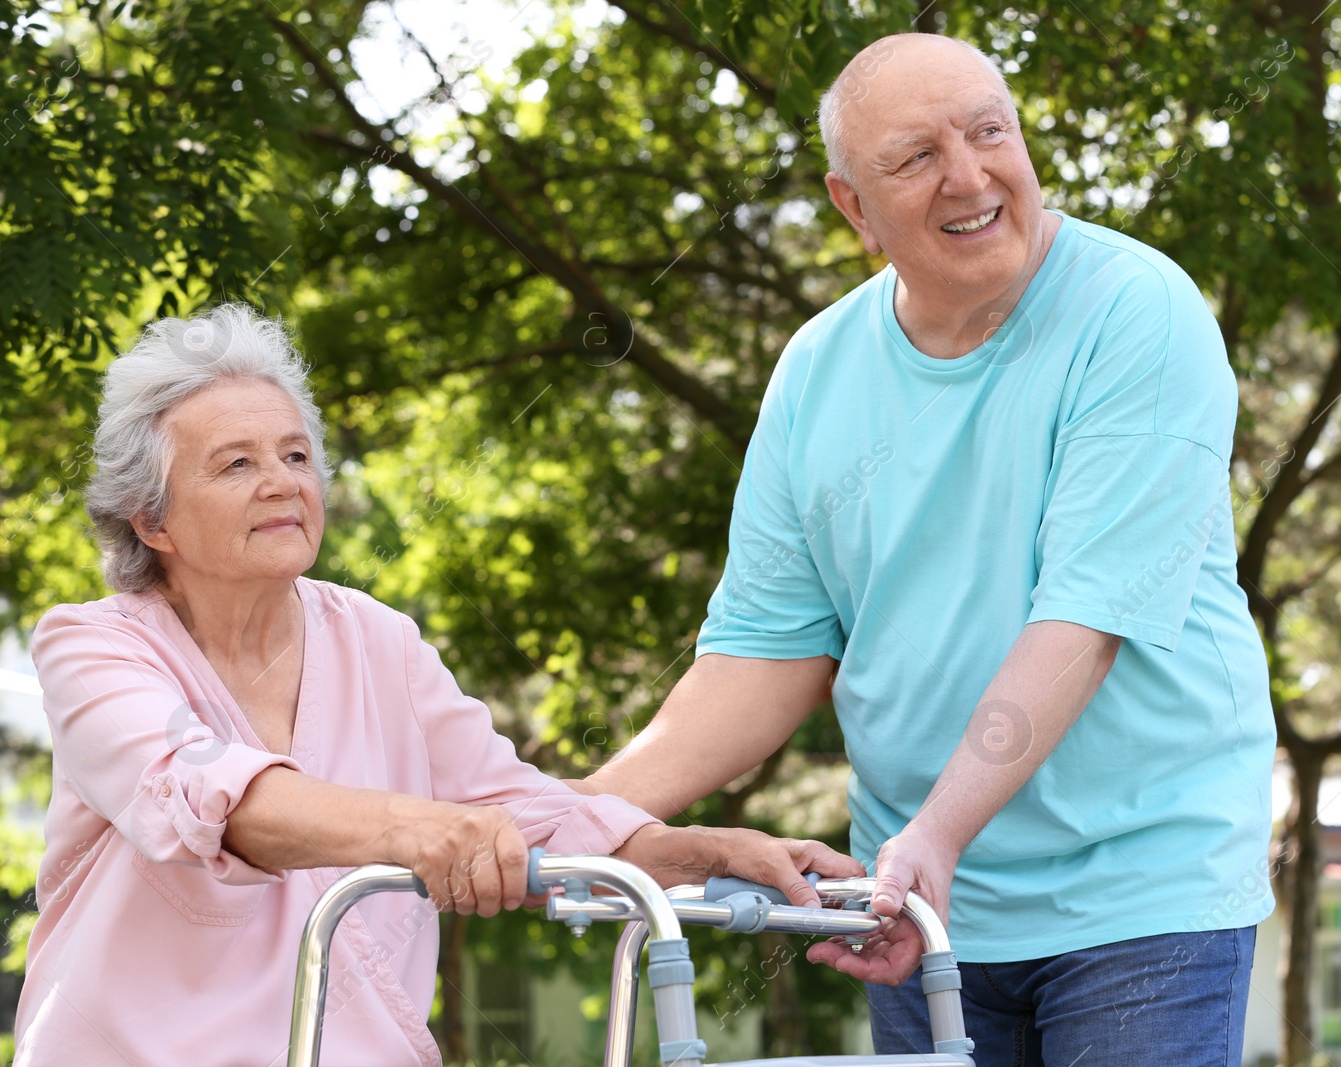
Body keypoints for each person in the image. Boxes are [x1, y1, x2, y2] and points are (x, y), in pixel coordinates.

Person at [575, 32, 1276, 1066]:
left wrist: (935, 834)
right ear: (852, 205)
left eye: (989, 132)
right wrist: (570, 817)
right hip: (916, 903)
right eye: (914, 156)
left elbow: (1083, 622)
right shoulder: (816, 370)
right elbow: (761, 658)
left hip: (1139, 890)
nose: (969, 173)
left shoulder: (1138, 312)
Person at [13, 304, 862, 1067]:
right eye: (236, 464)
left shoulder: (377, 638)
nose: (283, 482)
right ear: (151, 517)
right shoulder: (93, 647)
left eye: (297, 455)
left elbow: (521, 811)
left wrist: (702, 850)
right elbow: (219, 800)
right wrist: (427, 829)